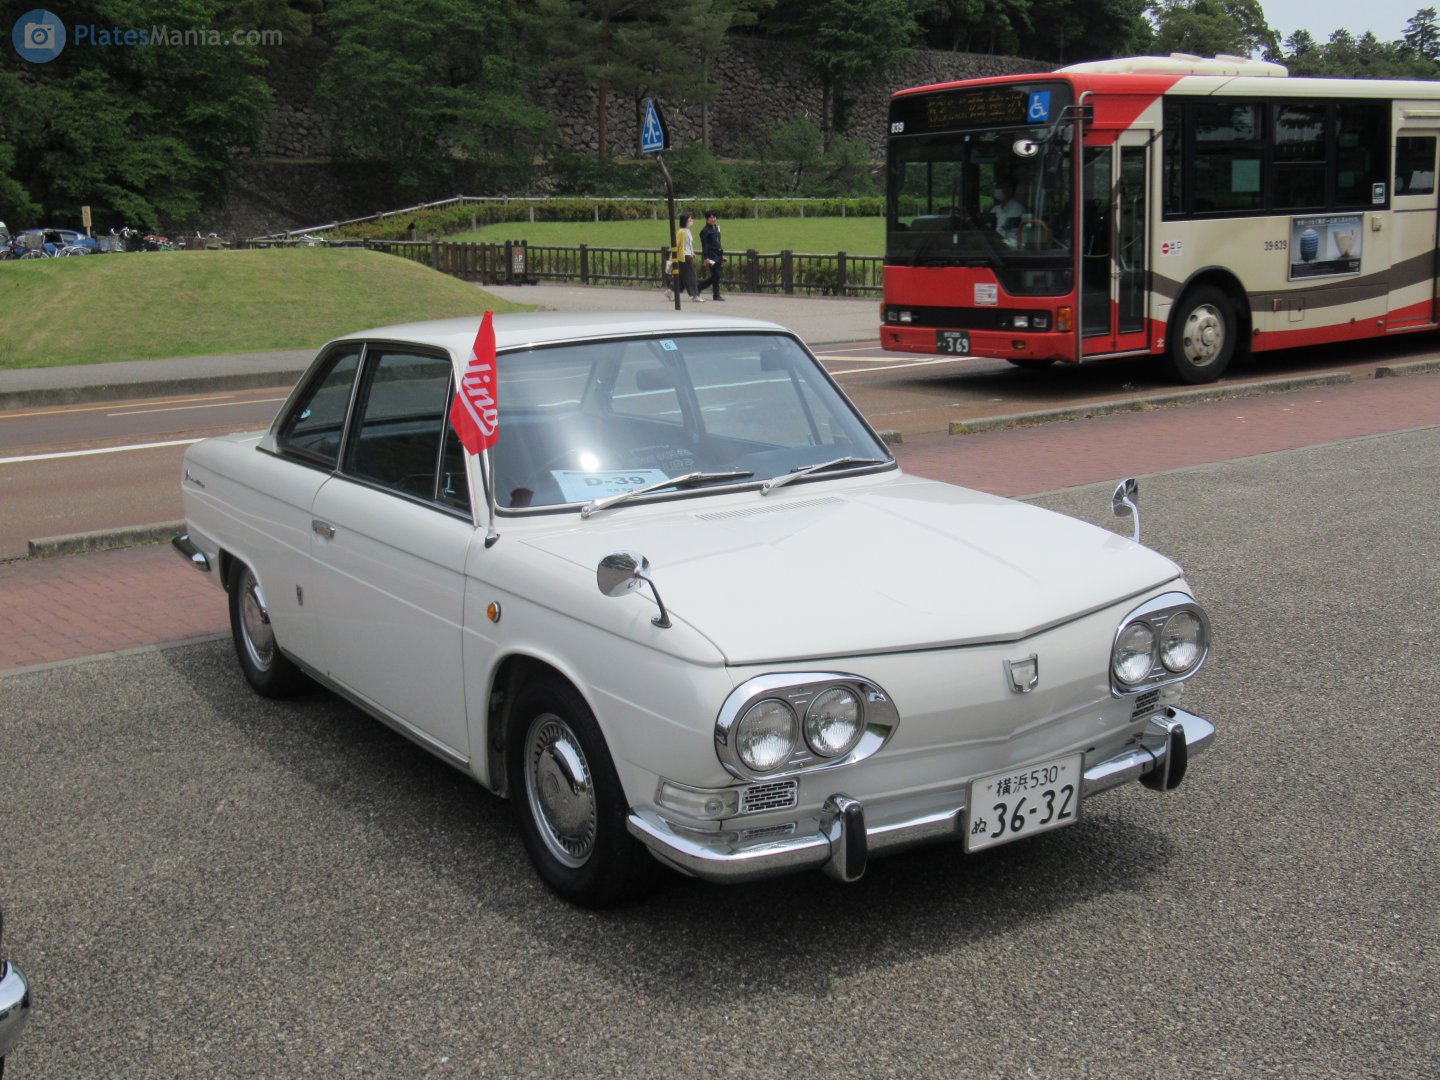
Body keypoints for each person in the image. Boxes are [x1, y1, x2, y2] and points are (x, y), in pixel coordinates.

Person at [697, 210, 725, 301]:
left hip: (718, 254)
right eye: (711, 217)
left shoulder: (717, 228)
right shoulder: (705, 231)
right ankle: (716, 295)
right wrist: (706, 258)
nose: (713, 219)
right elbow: (704, 245)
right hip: (711, 256)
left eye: (714, 217)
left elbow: (718, 242)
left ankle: (699, 287)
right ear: (707, 219)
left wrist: (721, 255)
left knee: (717, 275)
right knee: (716, 274)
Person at [675, 213, 702, 302]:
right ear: (685, 221)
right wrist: (674, 257)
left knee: (683, 276)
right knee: (692, 276)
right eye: (690, 220)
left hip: (689, 255)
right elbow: (677, 244)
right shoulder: (681, 232)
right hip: (684, 256)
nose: (692, 221)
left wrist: (693, 253)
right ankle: (695, 295)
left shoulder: (688, 231)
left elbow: (689, 244)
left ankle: (670, 290)